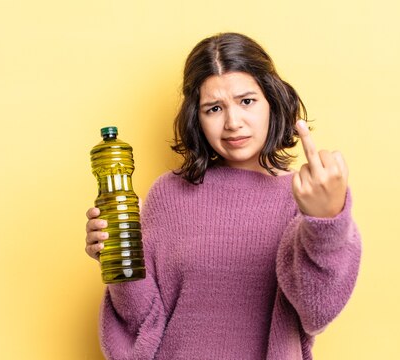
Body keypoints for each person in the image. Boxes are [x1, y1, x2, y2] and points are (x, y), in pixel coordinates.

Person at [84, 32, 362, 360]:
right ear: (196, 118)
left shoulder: (307, 196)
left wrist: (324, 223)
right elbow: (142, 324)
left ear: (271, 100)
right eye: (214, 108)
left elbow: (318, 312)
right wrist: (119, 261)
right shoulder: (168, 195)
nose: (232, 123)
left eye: (247, 101)